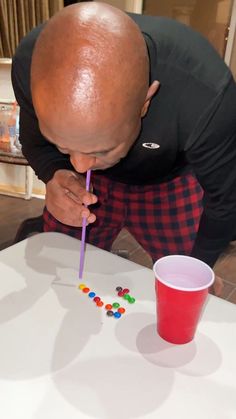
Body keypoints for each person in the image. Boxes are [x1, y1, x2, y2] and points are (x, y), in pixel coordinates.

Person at [12, 2, 236, 295]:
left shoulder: (205, 93)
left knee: (187, 282)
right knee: (61, 267)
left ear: (145, 101)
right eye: (65, 146)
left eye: (101, 150)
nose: (80, 166)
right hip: (91, 188)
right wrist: (53, 171)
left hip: (169, 181)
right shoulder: (33, 65)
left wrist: (199, 268)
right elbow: (34, 140)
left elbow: (226, 200)